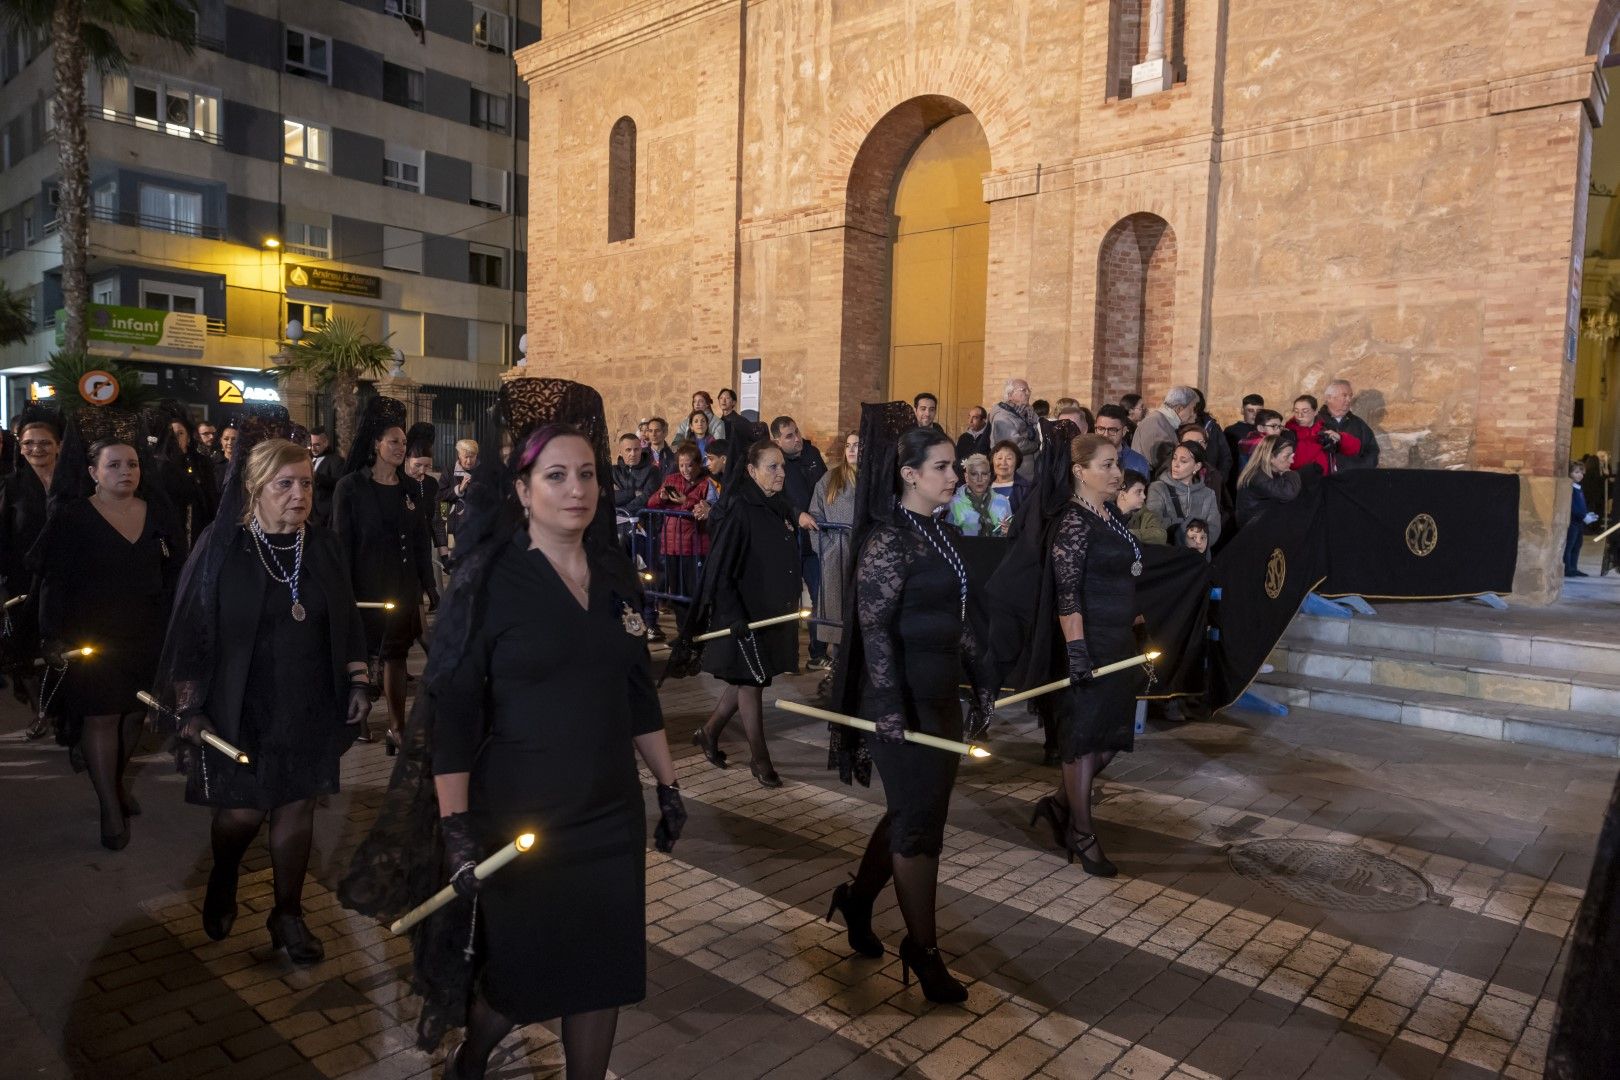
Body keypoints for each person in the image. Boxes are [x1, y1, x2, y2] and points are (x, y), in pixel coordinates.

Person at [340, 377, 685, 1073]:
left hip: (610, 810)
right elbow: (456, 716)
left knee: (603, 967)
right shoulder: (489, 582)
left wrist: (669, 783)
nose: (576, 488)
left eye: (586, 473)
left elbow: (635, 694)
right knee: (526, 971)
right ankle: (476, 1052)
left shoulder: (615, 575)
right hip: (524, 816)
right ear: (523, 490)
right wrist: (457, 827)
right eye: (555, 475)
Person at [154, 426, 370, 963]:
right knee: (242, 817)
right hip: (239, 703)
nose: (299, 495)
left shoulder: (320, 544)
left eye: (305, 484)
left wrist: (359, 678)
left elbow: (344, 618)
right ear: (253, 488)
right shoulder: (221, 546)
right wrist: (189, 705)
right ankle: (224, 875)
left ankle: (287, 915)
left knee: (297, 809)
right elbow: (191, 630)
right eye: (284, 485)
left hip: (308, 699)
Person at [824, 405, 996, 1004]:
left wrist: (984, 676)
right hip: (896, 704)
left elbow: (959, 617)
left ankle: (856, 900)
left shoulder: (940, 532)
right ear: (909, 473)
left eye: (954, 465)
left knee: (913, 816)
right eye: (943, 467)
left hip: (941, 698)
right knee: (920, 830)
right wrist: (890, 709)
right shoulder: (887, 540)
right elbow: (873, 629)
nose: (956, 476)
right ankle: (922, 951)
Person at [34, 410, 186, 849]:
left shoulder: (157, 510)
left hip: (147, 635)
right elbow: (54, 582)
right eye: (114, 465)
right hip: (92, 639)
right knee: (101, 718)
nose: (125, 471)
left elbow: (179, 568)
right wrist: (51, 636)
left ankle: (115, 782)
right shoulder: (73, 517)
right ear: (92, 472)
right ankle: (108, 807)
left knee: (136, 715)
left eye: (133, 464)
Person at [1026, 433, 1151, 876]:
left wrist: (1136, 628)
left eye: (1117, 464)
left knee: (1109, 740)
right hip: (1088, 642)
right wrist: (1077, 652)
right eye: (1107, 465)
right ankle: (1081, 831)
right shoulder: (1074, 522)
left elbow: (1122, 577)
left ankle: (1058, 805)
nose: (1117, 473)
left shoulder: (1110, 516)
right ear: (1080, 471)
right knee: (1083, 742)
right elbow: (1067, 594)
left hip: (1118, 642)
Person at [685, 438, 802, 785]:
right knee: (752, 682)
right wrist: (735, 617)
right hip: (743, 614)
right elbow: (723, 569)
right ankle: (760, 759)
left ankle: (708, 732)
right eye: (773, 467)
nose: (781, 472)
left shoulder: (776, 505)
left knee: (747, 679)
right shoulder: (739, 508)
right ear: (751, 471)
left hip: (768, 612)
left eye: (783, 466)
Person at [331, 397, 434, 753]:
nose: (401, 447)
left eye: (404, 443)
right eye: (394, 441)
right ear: (376, 443)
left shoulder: (409, 488)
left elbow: (421, 539)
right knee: (363, 654)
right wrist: (342, 589)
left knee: (396, 654)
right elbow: (341, 545)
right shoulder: (351, 488)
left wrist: (429, 585)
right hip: (364, 586)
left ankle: (396, 726)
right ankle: (357, 722)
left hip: (402, 585)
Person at [3, 407, 61, 737]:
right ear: (20, 446)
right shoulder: (10, 487)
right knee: (25, 651)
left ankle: (59, 708)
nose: (36, 449)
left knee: (63, 649)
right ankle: (41, 711)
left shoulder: (75, 486)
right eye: (29, 443)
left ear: (58, 446)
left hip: (64, 580)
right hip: (22, 584)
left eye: (44, 442)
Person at [772, 415, 829, 669]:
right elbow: (776, 497)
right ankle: (787, 658)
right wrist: (797, 515)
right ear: (776, 440)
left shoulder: (812, 453)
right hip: (789, 543)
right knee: (789, 600)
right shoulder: (774, 463)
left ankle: (817, 654)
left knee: (820, 596)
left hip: (815, 543)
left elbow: (828, 486)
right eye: (789, 436)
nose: (797, 439)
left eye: (796, 432)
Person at [808, 431, 859, 663]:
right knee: (836, 615)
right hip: (836, 555)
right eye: (848, 445)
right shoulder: (830, 479)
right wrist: (827, 547)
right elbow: (815, 515)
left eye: (857, 445)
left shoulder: (873, 480)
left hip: (862, 554)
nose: (851, 450)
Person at [646, 444, 713, 613]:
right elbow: (651, 503)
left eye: (690, 465)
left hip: (694, 546)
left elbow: (703, 508)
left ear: (698, 464)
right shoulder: (671, 479)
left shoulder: (706, 482)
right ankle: (681, 630)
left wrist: (685, 501)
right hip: (671, 545)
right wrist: (661, 498)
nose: (686, 469)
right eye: (682, 465)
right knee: (676, 592)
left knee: (694, 591)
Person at [153, 403, 218, 548]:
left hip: (197, 530)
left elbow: (210, 499)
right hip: (168, 533)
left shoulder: (201, 463)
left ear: (188, 437)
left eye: (180, 434)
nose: (175, 439)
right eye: (170, 435)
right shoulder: (157, 466)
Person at [1146, 441, 1222, 548]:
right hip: (1169, 553)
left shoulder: (1208, 494)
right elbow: (1153, 522)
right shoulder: (1158, 488)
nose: (1176, 464)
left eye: (1183, 461)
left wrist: (1197, 543)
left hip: (1197, 556)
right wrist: (1186, 526)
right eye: (1174, 458)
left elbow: (1214, 528)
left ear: (1196, 466)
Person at [404, 424, 450, 589]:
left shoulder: (431, 484)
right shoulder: (396, 481)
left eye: (427, 466)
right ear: (407, 458)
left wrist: (445, 556)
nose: (422, 471)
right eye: (418, 465)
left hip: (423, 551)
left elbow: (437, 521)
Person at [1235, 434, 1304, 528]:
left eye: (1292, 456)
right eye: (1286, 456)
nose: (1292, 461)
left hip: (1262, 526)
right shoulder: (1257, 477)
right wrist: (1290, 473)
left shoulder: (1271, 473)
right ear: (1271, 457)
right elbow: (1288, 493)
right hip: (1253, 531)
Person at [1288, 394, 1364, 476]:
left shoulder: (1326, 428)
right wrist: (1319, 441)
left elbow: (1355, 449)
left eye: (1305, 411)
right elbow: (1294, 462)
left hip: (1326, 482)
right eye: (1296, 411)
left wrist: (1340, 438)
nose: (1300, 416)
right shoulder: (1288, 433)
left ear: (1315, 412)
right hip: (1300, 484)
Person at [1131, 385, 1199, 476]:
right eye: (1192, 408)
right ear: (1179, 408)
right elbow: (1165, 462)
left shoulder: (1162, 421)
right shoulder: (1155, 423)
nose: (1193, 413)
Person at [1319, 379, 1379, 470]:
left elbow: (1372, 452)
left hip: (1353, 480)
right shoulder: (1315, 422)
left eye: (1350, 396)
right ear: (1329, 398)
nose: (1349, 400)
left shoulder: (1359, 424)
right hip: (1324, 481)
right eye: (1345, 395)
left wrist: (1359, 470)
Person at [947, 452, 1011, 536]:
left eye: (984, 474)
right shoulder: (954, 503)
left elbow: (1011, 535)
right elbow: (949, 537)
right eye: (974, 474)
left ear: (989, 476)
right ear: (966, 477)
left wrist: (1009, 531)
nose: (979, 479)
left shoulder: (1003, 501)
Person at [989, 379, 1041, 480]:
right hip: (1014, 475)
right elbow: (1014, 445)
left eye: (1029, 390)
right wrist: (1036, 444)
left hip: (1030, 473)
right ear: (1010, 395)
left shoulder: (1028, 413)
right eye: (1023, 390)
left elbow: (1040, 431)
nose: (1028, 393)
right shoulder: (1002, 416)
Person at [440, 438, 479, 550]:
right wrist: (459, 490)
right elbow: (441, 495)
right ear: (459, 455)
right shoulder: (449, 471)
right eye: (466, 456)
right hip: (457, 525)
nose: (469, 461)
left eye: (472, 456)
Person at [1095, 404, 1151, 477]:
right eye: (1101, 429)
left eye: (1112, 430)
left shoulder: (1138, 462)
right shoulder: (1086, 457)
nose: (1105, 435)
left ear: (1124, 431)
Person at [1117, 469, 1166, 544]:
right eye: (1138, 492)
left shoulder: (1146, 514)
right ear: (1123, 495)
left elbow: (1160, 535)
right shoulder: (1104, 511)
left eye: (1143, 491)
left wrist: (1127, 533)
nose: (1144, 496)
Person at [309, 427, 343, 529]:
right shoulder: (310, 459)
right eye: (311, 445)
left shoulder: (336, 460)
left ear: (326, 443)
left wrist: (317, 477)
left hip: (325, 517)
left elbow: (339, 484)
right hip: (309, 515)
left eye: (317, 445)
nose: (313, 448)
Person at [1568, 460, 1598, 577]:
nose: (1580, 475)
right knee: (1570, 545)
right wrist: (1583, 515)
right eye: (1576, 472)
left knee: (1577, 545)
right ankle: (1568, 568)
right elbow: (1572, 506)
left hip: (1579, 522)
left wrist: (1587, 514)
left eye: (1581, 473)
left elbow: (1581, 505)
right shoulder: (1570, 488)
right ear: (1570, 473)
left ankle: (1574, 567)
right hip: (1573, 522)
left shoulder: (1578, 488)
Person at [990, 440, 1032, 516]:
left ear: (1017, 462)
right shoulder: (983, 486)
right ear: (992, 461)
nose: (1003, 463)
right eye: (999, 458)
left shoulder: (1026, 489)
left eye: (1009, 458)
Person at [1235, 408, 1284, 474]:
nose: (1278, 430)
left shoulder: (1249, 439)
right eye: (1274, 426)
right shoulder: (1261, 445)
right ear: (1261, 428)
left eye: (1279, 426)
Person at [1224, 394, 1265, 464]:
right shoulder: (1231, 431)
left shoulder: (1267, 429)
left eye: (1259, 411)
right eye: (1250, 410)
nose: (1255, 414)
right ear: (1243, 411)